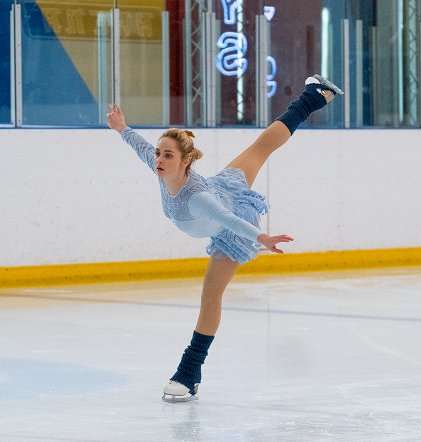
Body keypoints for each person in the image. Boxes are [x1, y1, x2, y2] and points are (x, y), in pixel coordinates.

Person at [106, 74, 343, 402]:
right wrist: (121, 128)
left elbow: (228, 219)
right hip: (225, 186)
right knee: (261, 147)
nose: (159, 159)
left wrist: (264, 238)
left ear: (186, 161)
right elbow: (140, 147)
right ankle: (315, 96)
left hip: (234, 225)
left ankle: (189, 373)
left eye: (168, 156)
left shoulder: (198, 199)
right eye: (159, 154)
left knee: (210, 294)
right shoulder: (160, 167)